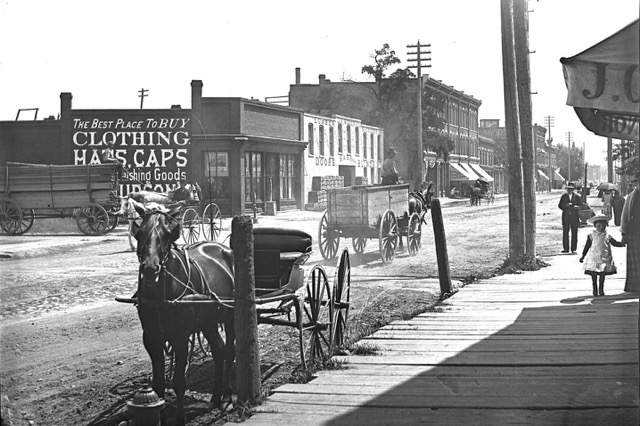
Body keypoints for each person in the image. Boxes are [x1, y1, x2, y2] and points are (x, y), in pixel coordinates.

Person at [579, 214, 624, 296]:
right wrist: (583, 256)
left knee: (602, 274)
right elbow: (587, 246)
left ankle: (601, 289)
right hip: (594, 258)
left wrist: (623, 243)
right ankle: (595, 290)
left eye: (603, 226)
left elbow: (614, 243)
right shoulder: (591, 236)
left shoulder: (608, 236)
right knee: (594, 274)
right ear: (595, 226)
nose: (601, 227)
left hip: (604, 258)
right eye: (599, 226)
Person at [620, 172, 640, 293]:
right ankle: (635, 286)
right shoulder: (631, 197)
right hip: (634, 231)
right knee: (635, 261)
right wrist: (624, 233)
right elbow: (625, 215)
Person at [558, 182, 582, 254]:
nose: (570, 190)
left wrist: (577, 207)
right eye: (568, 189)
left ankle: (573, 249)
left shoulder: (577, 196)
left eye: (571, 189)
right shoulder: (564, 196)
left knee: (574, 233)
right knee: (565, 232)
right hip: (566, 217)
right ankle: (566, 248)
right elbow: (560, 205)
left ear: (573, 189)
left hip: (574, 217)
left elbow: (581, 205)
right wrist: (566, 205)